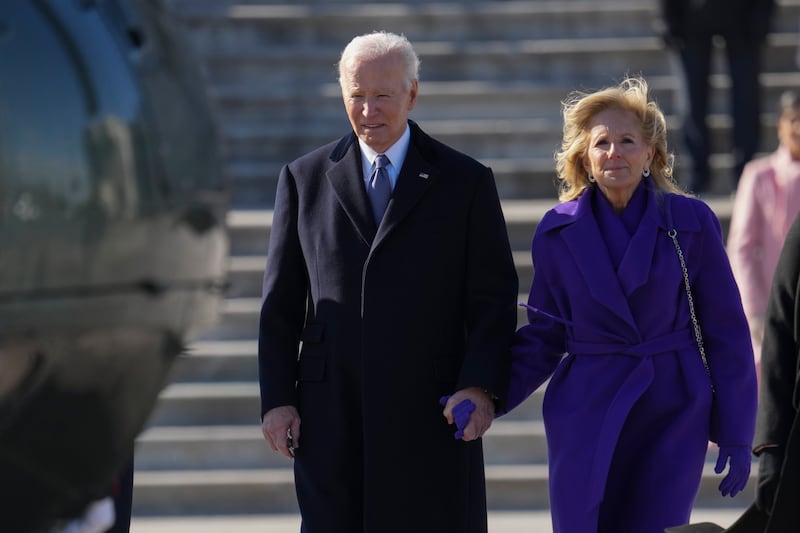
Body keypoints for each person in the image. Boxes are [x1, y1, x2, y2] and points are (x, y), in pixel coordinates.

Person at [257, 31, 518, 533]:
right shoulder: (303, 178)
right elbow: (281, 303)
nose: (368, 110)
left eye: (383, 96)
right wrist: (277, 398)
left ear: (412, 93)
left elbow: (492, 299)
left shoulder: (464, 181)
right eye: (357, 95)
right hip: (330, 412)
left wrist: (479, 387)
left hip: (432, 412)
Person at [503, 77, 757, 533]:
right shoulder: (556, 231)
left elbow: (726, 330)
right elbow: (544, 334)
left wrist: (737, 432)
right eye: (602, 143)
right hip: (584, 406)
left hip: (671, 405)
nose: (614, 152)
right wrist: (487, 393)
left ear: (651, 154)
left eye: (627, 141)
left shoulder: (691, 220)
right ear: (584, 155)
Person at [656, 0, 775, 194]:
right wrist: (667, 19)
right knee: (691, 103)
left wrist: (762, 18)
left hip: (743, 17)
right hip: (690, 18)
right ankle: (697, 173)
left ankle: (745, 173)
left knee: (746, 99)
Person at [727, 90, 800, 385]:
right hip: (774, 301)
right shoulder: (759, 175)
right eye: (793, 119)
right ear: (780, 125)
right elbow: (741, 248)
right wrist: (754, 310)